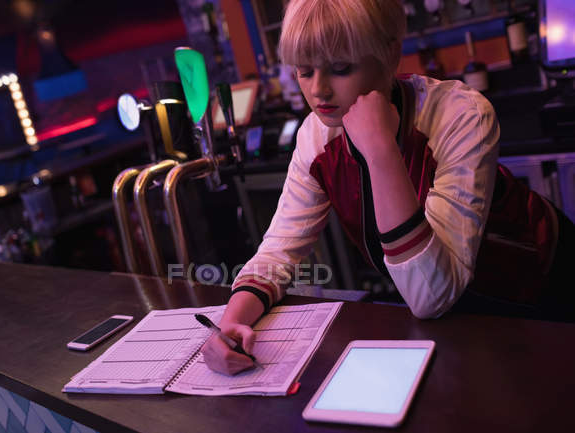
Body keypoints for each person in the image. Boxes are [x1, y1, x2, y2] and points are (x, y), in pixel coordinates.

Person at [202, 0, 575, 375]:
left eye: (341, 68)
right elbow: (278, 252)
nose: (318, 91)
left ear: (390, 53)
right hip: (450, 318)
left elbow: (430, 296)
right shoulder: (315, 139)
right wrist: (232, 321)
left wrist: (379, 148)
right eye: (304, 70)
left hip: (542, 291)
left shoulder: (461, 114)